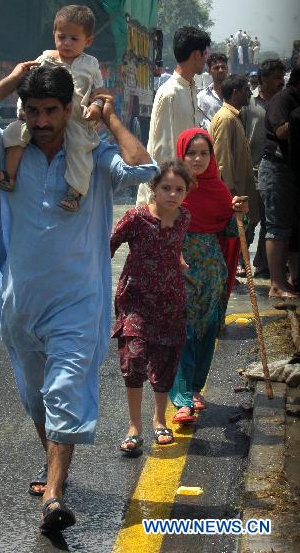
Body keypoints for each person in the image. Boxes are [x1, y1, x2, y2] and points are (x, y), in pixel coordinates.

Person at [0, 62, 158, 533]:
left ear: (69, 109)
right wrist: (10, 81)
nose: (41, 121)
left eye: (51, 111)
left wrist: (109, 119)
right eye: (33, 110)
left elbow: (144, 167)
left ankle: (56, 496)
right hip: (21, 303)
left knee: (63, 391)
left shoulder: (93, 156)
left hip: (78, 304)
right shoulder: (9, 150)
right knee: (38, 401)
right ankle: (53, 467)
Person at [0, 5, 104, 212]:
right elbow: (28, 86)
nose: (66, 43)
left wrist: (96, 107)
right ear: (54, 35)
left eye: (74, 39)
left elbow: (99, 92)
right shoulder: (45, 59)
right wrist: (23, 110)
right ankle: (9, 176)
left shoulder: (91, 64)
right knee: (14, 132)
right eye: (61, 37)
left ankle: (74, 194)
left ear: (88, 41)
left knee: (79, 149)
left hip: (76, 118)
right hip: (41, 114)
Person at [111, 160, 192, 452]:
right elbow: (107, 246)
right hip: (135, 300)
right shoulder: (135, 218)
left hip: (171, 301)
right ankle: (134, 427)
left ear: (186, 192)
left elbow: (174, 246)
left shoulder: (185, 218)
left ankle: (160, 421)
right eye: (166, 188)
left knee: (164, 362)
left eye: (179, 189)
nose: (172, 194)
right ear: (153, 189)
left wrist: (179, 260)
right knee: (133, 360)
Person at [168, 128, 248, 423]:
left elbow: (229, 232)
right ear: (181, 154)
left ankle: (195, 388)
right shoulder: (172, 186)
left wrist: (240, 213)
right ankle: (182, 399)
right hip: (181, 271)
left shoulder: (218, 189)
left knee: (206, 332)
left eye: (204, 153)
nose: (198, 159)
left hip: (212, 273)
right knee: (183, 333)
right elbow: (159, 223)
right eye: (191, 153)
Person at [136, 25, 211, 204]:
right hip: (165, 194)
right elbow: (164, 149)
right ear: (196, 55)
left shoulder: (191, 89)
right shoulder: (170, 93)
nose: (207, 60)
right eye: (206, 54)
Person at [258, 67, 300, 300]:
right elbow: (281, 131)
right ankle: (276, 284)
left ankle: (291, 278)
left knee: (291, 227)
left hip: (290, 171)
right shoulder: (282, 100)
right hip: (277, 168)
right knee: (277, 227)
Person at [242, 59, 286, 277]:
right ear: (263, 80)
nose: (281, 82)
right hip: (252, 168)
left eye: (282, 77)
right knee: (251, 218)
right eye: (276, 77)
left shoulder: (283, 102)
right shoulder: (249, 103)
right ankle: (242, 262)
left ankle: (262, 263)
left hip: (275, 167)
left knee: (270, 220)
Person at [209, 74, 259, 233]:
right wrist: (229, 197)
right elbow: (222, 162)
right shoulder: (226, 119)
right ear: (236, 92)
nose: (250, 93)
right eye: (246, 89)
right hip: (233, 200)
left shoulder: (234, 117)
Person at [197, 53, 228, 130]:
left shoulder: (236, 93)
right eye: (216, 68)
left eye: (223, 67)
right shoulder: (202, 97)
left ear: (227, 69)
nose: (221, 70)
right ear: (209, 71)